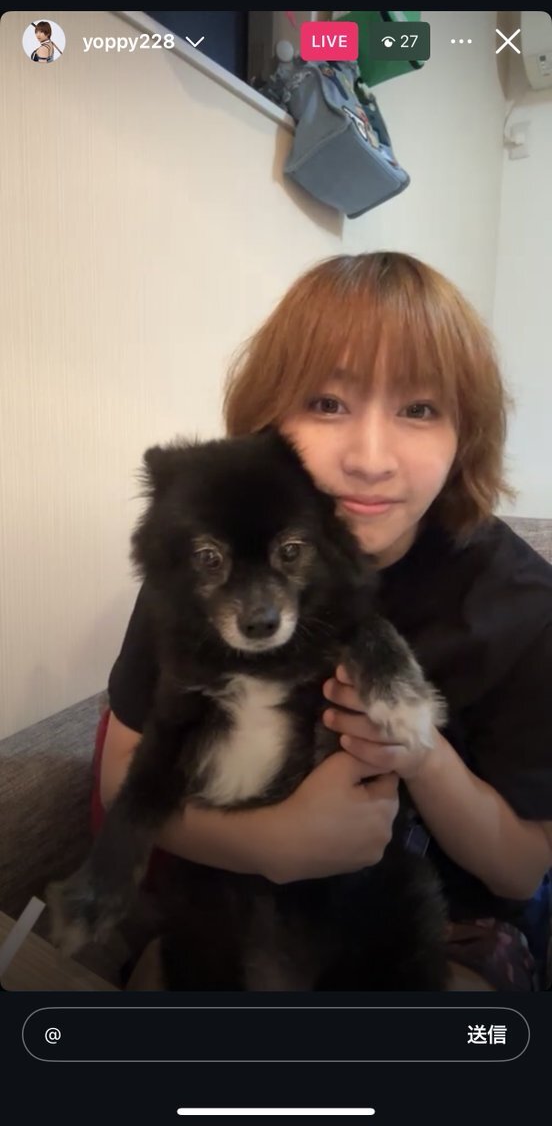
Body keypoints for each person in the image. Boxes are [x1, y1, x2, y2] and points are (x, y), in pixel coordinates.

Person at [97, 251, 552, 992]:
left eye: (419, 409)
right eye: (328, 403)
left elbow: (524, 865)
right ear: (270, 417)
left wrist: (420, 753)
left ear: (464, 433)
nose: (369, 458)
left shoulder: (522, 605)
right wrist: (270, 844)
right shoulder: (204, 557)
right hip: (224, 898)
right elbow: (123, 771)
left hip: (437, 927)